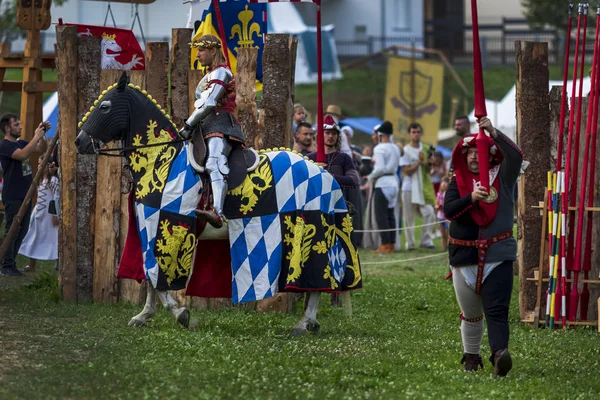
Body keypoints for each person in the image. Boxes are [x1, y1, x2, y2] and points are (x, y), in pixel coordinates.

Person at [444, 117, 524, 376]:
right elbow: (450, 210)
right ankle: (471, 357)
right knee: (471, 314)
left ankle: (500, 355)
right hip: (463, 256)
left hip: (497, 255)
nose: (475, 158)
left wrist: (493, 132)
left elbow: (515, 154)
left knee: (497, 312)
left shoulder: (505, 176)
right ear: (464, 157)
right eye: (470, 153)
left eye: (481, 153)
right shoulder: (458, 181)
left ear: (491, 157)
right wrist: (471, 198)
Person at [179, 34, 246, 227]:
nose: (197, 55)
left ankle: (217, 211)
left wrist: (188, 125)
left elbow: (209, 103)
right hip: (206, 126)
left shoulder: (221, 73)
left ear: (213, 51)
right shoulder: (210, 74)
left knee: (214, 161)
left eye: (201, 50)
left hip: (221, 125)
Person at [0, 113, 50, 276]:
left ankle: (11, 264)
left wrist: (40, 135)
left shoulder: (21, 143)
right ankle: (6, 265)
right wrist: (36, 136)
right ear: (7, 129)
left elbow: (40, 149)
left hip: (26, 194)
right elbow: (22, 155)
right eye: (16, 125)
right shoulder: (5, 146)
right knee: (13, 230)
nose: (20, 127)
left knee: (22, 231)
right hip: (13, 194)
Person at [365, 121, 401, 253]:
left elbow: (380, 168)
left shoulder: (380, 148)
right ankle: (391, 243)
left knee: (381, 215)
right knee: (390, 215)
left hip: (383, 182)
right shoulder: (396, 148)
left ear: (381, 135)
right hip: (394, 182)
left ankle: (385, 244)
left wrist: (369, 177)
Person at [399, 123, 436, 250]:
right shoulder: (405, 150)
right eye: (413, 132)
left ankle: (425, 240)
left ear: (421, 133)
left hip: (423, 186)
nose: (416, 134)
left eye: (418, 132)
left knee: (429, 212)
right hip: (409, 187)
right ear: (410, 134)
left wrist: (430, 163)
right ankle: (410, 244)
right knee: (409, 217)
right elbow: (406, 171)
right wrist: (419, 162)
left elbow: (430, 170)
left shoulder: (426, 148)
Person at [18, 158, 59, 268]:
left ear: (49, 166)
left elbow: (56, 198)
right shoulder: (39, 180)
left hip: (49, 214)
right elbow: (38, 198)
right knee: (33, 236)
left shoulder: (53, 180)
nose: (39, 166)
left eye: (42, 164)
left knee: (54, 237)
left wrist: (55, 214)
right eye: (39, 164)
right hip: (38, 213)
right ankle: (31, 264)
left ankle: (58, 262)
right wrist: (34, 210)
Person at [435, 176, 449, 251]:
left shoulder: (449, 194)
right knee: (442, 234)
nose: (443, 184)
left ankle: (447, 246)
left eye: (446, 182)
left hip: (447, 217)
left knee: (447, 234)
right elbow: (436, 204)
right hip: (440, 216)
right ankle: (443, 248)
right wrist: (438, 207)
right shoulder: (439, 194)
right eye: (442, 182)